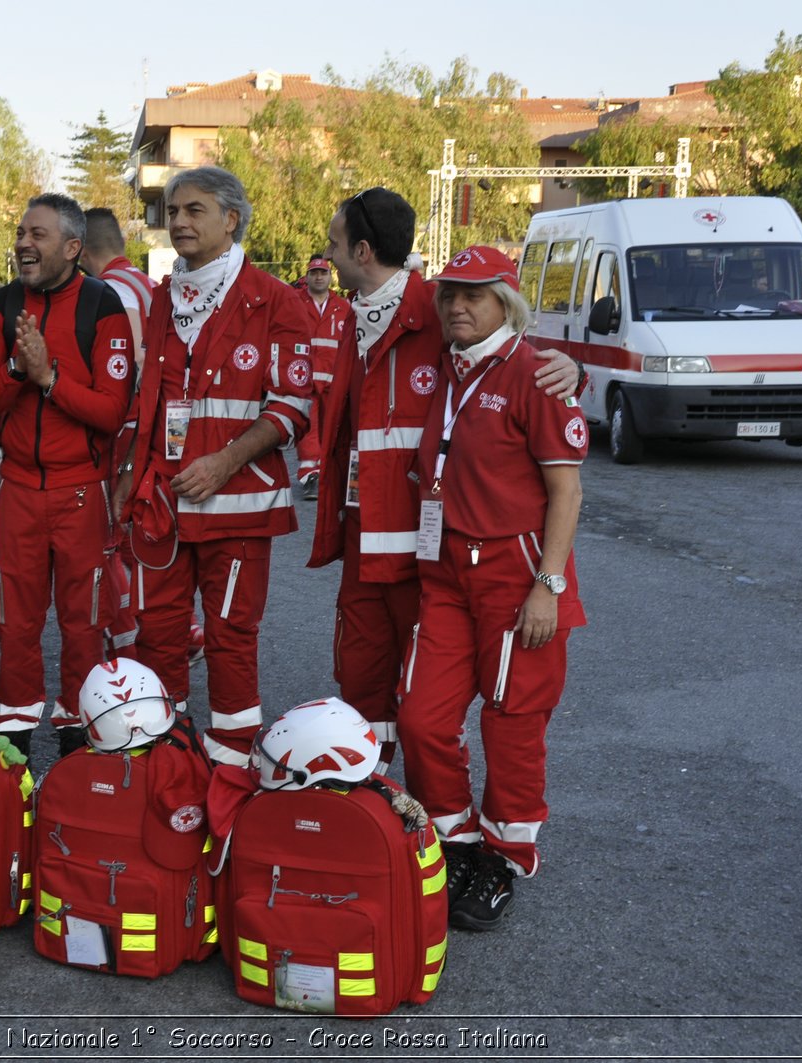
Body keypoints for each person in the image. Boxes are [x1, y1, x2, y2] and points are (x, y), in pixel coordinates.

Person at [307, 188, 577, 766]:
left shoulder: (435, 309)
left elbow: (518, 356)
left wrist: (573, 371)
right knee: (363, 679)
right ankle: (371, 790)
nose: (326, 257)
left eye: (333, 245)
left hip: (425, 551)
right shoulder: (347, 316)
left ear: (361, 248)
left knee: (439, 699)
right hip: (364, 538)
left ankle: (464, 833)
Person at [396, 245, 588, 931]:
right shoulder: (446, 366)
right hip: (447, 572)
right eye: (449, 294)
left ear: (507, 301)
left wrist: (549, 585)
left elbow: (567, 491)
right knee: (420, 717)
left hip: (518, 574)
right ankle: (459, 841)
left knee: (512, 725)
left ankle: (503, 861)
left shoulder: (538, 372)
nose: (456, 306)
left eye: (474, 295)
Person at [119, 166, 314, 766]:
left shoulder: (277, 300)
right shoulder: (160, 300)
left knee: (231, 639)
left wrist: (226, 461)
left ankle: (231, 764)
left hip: (238, 508)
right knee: (158, 635)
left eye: (193, 210)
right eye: (172, 210)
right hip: (164, 503)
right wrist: (131, 482)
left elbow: (292, 406)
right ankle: (163, 756)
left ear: (231, 218)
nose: (177, 221)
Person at [0, 193, 134, 756]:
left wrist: (49, 380)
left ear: (72, 246)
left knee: (84, 624)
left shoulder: (102, 305)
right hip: (16, 491)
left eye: (37, 235)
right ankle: (11, 747)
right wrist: (20, 369)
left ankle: (77, 747)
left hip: (80, 492)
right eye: (20, 233)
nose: (23, 244)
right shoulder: (0, 304)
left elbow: (112, 413)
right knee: (14, 623)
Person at [291, 252, 350, 501]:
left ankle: (330, 472)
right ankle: (310, 474)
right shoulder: (294, 303)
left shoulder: (344, 307)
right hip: (304, 379)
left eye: (322, 273)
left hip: (334, 381)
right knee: (307, 429)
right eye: (314, 273)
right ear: (307, 276)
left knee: (334, 430)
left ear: (330, 276)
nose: (318, 277)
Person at [78, 206, 155, 360]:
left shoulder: (112, 288)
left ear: (83, 253)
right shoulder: (145, 280)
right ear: (123, 243)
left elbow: (135, 353)